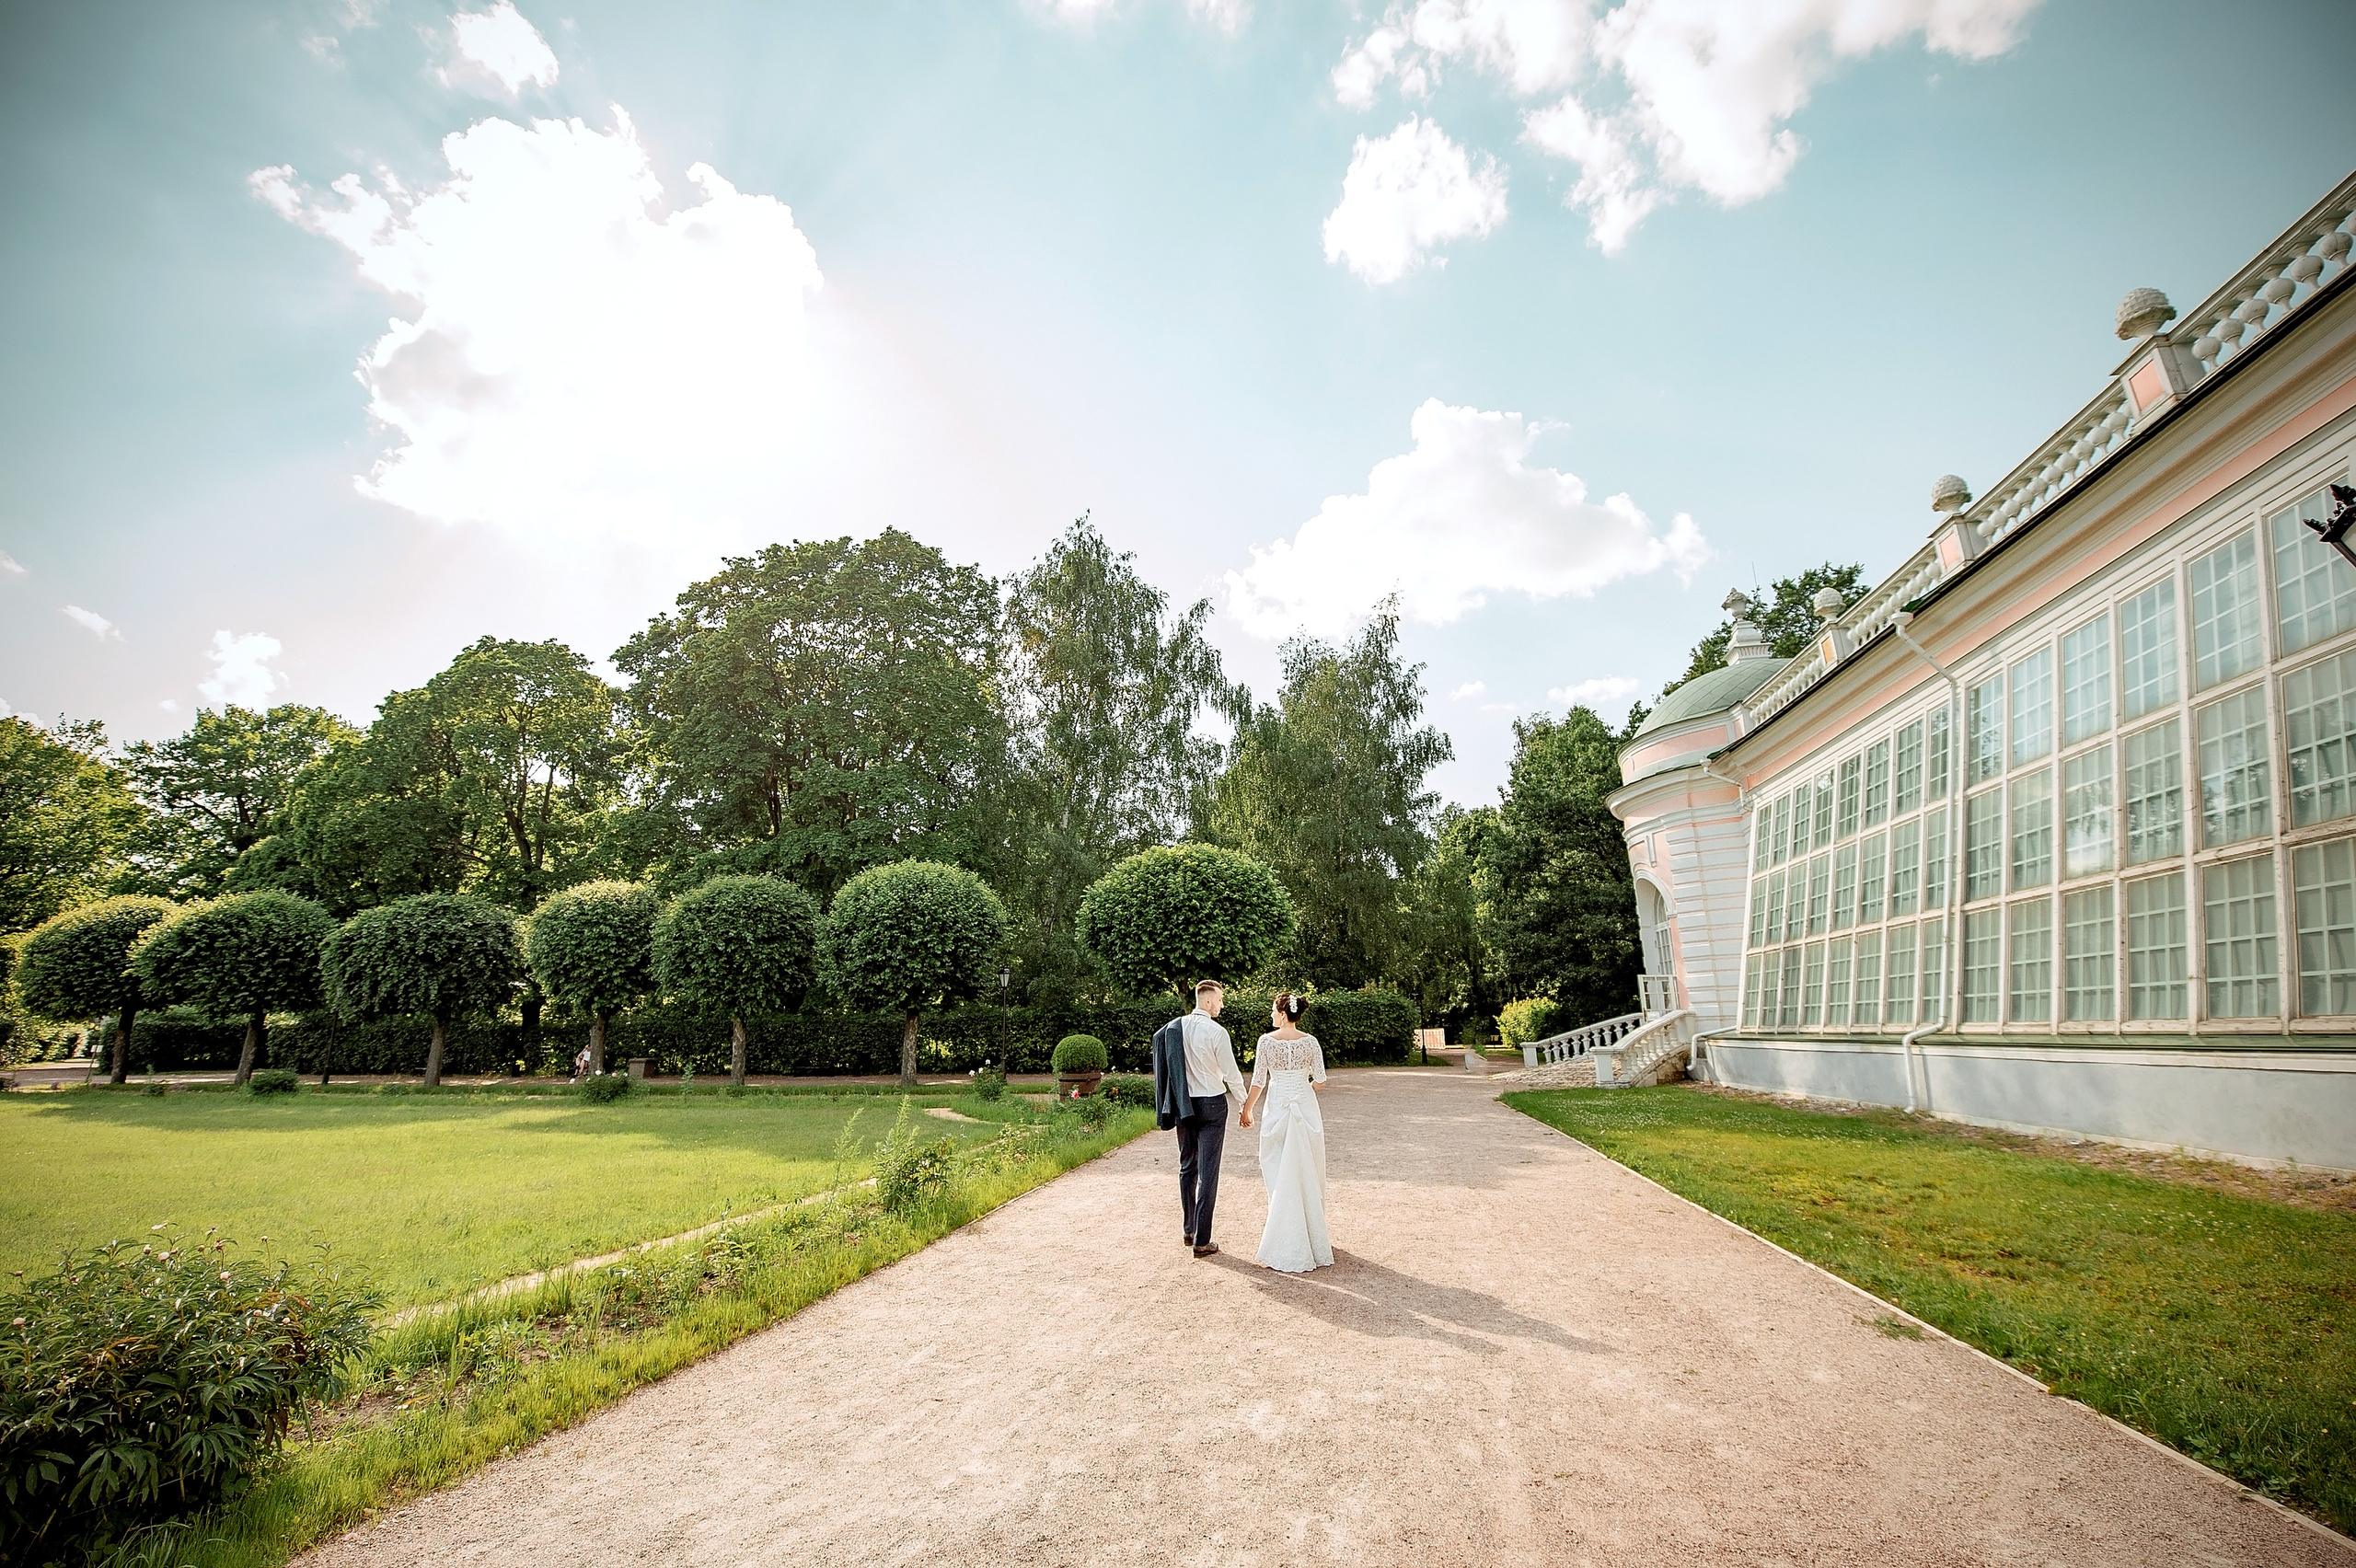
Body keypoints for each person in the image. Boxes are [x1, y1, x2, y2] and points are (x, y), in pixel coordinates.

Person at [1236, 992, 1332, 1273]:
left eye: (1272, 1011)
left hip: (1278, 1107)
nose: (1271, 1015)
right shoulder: (1311, 1042)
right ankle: (1313, 1237)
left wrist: (1247, 1110)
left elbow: (1258, 1081)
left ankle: (1283, 1234)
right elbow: (1322, 1080)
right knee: (1307, 1169)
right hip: (1305, 1107)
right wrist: (1305, 1088)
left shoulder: (1266, 1042)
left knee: (1277, 1168)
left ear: (1281, 1013)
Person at [1150, 979, 1245, 1258]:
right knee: (1208, 1173)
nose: (1222, 1004)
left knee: (1187, 1166)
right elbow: (1230, 1073)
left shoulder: (1172, 1029)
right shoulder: (1217, 1032)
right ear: (1207, 1001)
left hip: (1183, 1103)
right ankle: (1202, 1241)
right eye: (1219, 1000)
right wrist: (1244, 1104)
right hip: (1212, 1105)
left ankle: (1189, 1229)